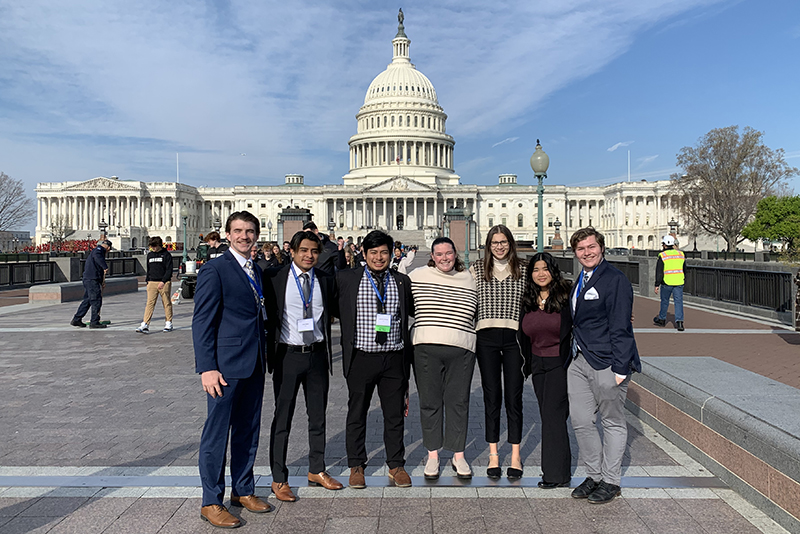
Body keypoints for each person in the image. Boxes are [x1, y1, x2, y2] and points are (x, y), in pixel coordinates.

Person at [193, 211, 271, 528]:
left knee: (247, 431)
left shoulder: (256, 269)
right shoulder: (215, 269)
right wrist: (207, 367)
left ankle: (242, 490)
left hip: (253, 361)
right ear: (227, 235)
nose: (244, 236)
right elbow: (202, 322)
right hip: (224, 367)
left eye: (249, 231)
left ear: (256, 234)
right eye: (238, 231)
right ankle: (211, 501)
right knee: (216, 434)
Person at [263, 230, 342, 502]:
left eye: (314, 252)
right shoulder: (274, 278)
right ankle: (278, 477)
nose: (309, 256)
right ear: (293, 252)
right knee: (282, 418)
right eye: (304, 251)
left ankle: (316, 469)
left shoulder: (325, 279)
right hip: (287, 355)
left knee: (318, 416)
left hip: (318, 354)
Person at [336, 230, 415, 489]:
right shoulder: (347, 279)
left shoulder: (402, 281)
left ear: (392, 254)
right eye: (373, 252)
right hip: (361, 356)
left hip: (393, 356)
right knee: (357, 413)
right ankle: (356, 464)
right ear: (364, 253)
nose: (379, 257)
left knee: (394, 415)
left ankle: (396, 464)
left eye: (384, 252)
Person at [568, 227, 641, 504]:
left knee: (611, 420)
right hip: (579, 359)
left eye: (591, 247)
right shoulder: (580, 279)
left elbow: (621, 326)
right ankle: (594, 474)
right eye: (581, 249)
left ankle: (611, 480)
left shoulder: (615, 279)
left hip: (607, 361)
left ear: (601, 248)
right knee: (581, 420)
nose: (586, 253)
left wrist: (621, 369)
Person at [409, 237, 478, 479]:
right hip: (426, 347)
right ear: (432, 256)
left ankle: (458, 455)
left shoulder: (470, 278)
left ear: (455, 253)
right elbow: (405, 303)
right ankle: (433, 455)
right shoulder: (417, 276)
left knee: (458, 402)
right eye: (439, 254)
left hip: (462, 348)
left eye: (448, 253)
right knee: (430, 402)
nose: (444, 258)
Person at [470, 225, 526, 479]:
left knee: (514, 397)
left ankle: (515, 454)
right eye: (495, 243)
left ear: (510, 244)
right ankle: (493, 453)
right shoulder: (476, 270)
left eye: (503, 242)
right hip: (486, 337)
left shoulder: (524, 270)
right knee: (492, 396)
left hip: (515, 338)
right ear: (488, 246)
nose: (500, 247)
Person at [519, 252, 572, 488]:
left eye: (545, 269)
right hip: (538, 365)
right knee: (550, 417)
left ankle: (554, 475)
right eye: (536, 270)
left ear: (553, 270)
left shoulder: (566, 296)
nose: (541, 274)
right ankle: (560, 471)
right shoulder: (528, 299)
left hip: (559, 364)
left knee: (553, 417)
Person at [135, 236, 174, 334]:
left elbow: (169, 270)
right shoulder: (150, 255)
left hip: (163, 282)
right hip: (152, 282)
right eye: (151, 246)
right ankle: (145, 324)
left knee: (166, 303)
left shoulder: (166, 255)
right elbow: (148, 269)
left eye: (154, 246)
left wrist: (164, 281)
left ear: (159, 245)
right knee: (149, 304)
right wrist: (147, 281)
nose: (153, 248)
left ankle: (168, 322)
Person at [70, 239, 112, 329]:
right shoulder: (99, 251)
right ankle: (94, 321)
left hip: (89, 279)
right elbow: (98, 258)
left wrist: (101, 282)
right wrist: (104, 266)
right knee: (96, 300)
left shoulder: (96, 250)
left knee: (88, 300)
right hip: (92, 279)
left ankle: (77, 319)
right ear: (108, 248)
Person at [653, 235, 686, 331]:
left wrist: (657, 284)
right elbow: (684, 269)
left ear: (664, 245)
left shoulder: (663, 256)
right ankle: (679, 322)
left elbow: (659, 272)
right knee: (678, 302)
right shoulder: (681, 254)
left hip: (666, 282)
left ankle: (662, 319)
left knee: (665, 301)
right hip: (679, 281)